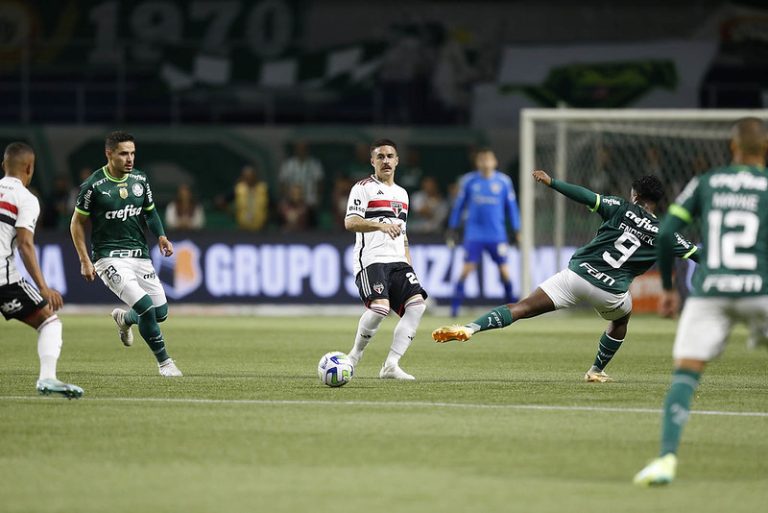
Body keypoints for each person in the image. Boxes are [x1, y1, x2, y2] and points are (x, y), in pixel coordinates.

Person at [433, 170, 700, 383]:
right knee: (621, 321)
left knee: (522, 307)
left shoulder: (620, 207)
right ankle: (596, 370)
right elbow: (695, 254)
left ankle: (470, 328)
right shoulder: (666, 231)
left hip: (577, 276)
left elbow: (585, 196)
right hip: (611, 292)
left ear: (635, 195)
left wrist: (553, 182)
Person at [634, 117, 768, 486]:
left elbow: (664, 234)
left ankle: (666, 460)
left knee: (686, 374)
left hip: (711, 291)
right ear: (766, 148)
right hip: (761, 289)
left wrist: (668, 289)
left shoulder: (707, 182)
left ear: (733, 147)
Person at [70, 131, 182, 377]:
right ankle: (165, 363)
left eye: (132, 153)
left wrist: (161, 236)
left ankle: (124, 319)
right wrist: (84, 259)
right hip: (108, 257)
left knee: (160, 312)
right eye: (123, 153)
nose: (129, 158)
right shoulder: (93, 186)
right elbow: (76, 223)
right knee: (145, 306)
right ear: (109, 154)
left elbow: (150, 213)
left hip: (140, 256)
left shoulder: (140, 180)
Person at [0, 142, 83, 398]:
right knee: (49, 320)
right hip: (3, 278)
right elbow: (25, 244)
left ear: (4, 165)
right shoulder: (26, 198)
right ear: (29, 167)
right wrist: (43, 287)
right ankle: (47, 378)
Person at [345, 139, 428, 380]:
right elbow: (350, 222)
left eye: (390, 156)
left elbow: (403, 233)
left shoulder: (402, 194)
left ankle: (391, 365)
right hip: (371, 260)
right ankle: (354, 356)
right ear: (372, 161)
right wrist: (380, 225)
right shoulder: (362, 188)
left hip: (398, 261)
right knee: (380, 309)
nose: (386, 161)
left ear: (397, 160)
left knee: (417, 306)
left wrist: (409, 263)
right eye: (380, 157)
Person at [447, 148, 521, 317]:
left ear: (495, 162)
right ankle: (454, 310)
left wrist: (516, 229)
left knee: (504, 271)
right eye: (482, 160)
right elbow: (459, 206)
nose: (486, 163)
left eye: (489, 160)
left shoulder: (503, 182)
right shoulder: (469, 181)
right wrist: (453, 227)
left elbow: (512, 208)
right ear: (477, 163)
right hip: (474, 234)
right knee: (466, 269)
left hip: (497, 234)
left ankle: (513, 310)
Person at [278, 141, 324, 213]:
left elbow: (320, 184)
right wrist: (287, 200)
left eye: (304, 148)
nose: (301, 150)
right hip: (291, 203)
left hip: (310, 203)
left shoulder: (315, 164)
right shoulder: (288, 164)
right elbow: (283, 184)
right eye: (299, 148)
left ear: (307, 149)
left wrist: (317, 201)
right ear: (295, 149)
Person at [234, 165, 269, 231]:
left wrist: (266, 218)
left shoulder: (263, 188)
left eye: (250, 175)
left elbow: (273, 205)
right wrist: (232, 214)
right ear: (243, 176)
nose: (249, 178)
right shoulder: (239, 188)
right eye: (246, 176)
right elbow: (221, 201)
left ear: (255, 176)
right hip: (243, 228)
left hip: (260, 229)